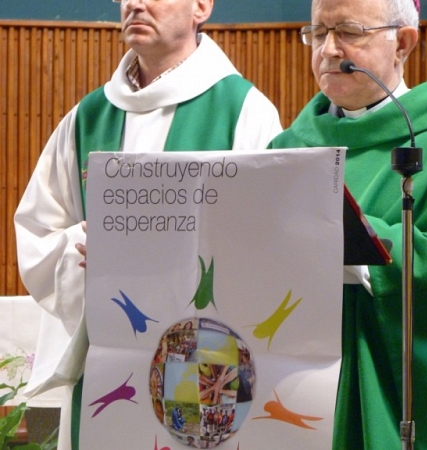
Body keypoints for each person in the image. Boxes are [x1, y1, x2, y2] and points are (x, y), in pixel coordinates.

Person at [13, 0, 282, 449]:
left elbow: (269, 242)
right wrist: (86, 244)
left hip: (205, 363)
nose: (135, 4)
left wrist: (162, 254)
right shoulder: (87, 117)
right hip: (106, 356)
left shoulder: (245, 111)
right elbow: (38, 232)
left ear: (201, 6)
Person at [269, 0, 427, 448]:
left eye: (348, 31)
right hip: (289, 388)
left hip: (386, 391)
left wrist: (370, 246)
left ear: (402, 43)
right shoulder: (283, 149)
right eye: (318, 32)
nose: (329, 49)